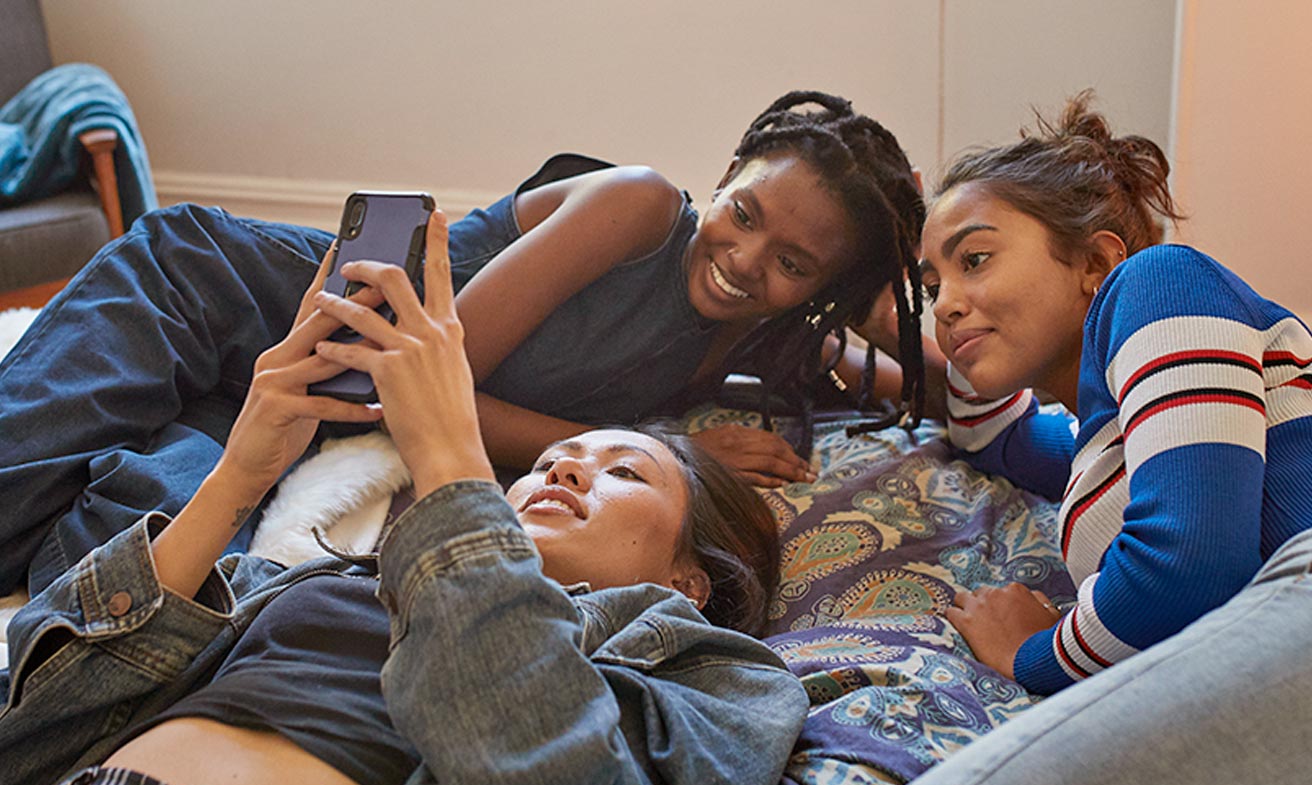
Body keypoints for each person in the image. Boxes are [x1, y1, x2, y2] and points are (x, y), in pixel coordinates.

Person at [0, 212, 809, 785]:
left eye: (624, 473)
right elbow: (33, 726)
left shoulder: (716, 677)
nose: (561, 471)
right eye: (552, 459)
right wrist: (236, 482)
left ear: (688, 581)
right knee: (162, 466)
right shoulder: (329, 580)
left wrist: (456, 464)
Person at [0, 89, 930, 598]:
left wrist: (888, 290)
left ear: (823, 293)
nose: (743, 259)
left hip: (298, 405)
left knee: (110, 580)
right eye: (744, 213)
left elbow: (925, 378)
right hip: (215, 298)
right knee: (11, 485)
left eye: (793, 263)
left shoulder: (761, 341)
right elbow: (426, 389)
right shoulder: (640, 206)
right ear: (724, 177)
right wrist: (675, 452)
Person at [918, 92, 1312, 695]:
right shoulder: (1101, 444)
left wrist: (1032, 652)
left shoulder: (1163, 282)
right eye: (930, 287)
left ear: (1096, 262)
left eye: (974, 259)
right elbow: (993, 438)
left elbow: (1191, 568)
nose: (943, 303)